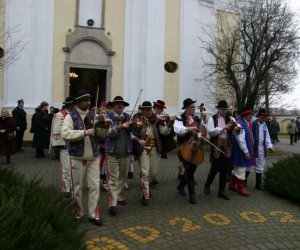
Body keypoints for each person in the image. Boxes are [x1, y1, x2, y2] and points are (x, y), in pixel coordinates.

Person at [62, 89, 107, 226]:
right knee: (77, 188)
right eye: (85, 100)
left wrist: (105, 127)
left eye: (89, 100)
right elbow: (65, 134)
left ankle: (94, 214)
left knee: (95, 186)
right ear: (78, 102)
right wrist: (83, 132)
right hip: (76, 157)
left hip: (93, 156)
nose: (88, 102)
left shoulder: (94, 115)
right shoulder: (70, 117)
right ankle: (78, 213)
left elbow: (101, 136)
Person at [133, 101, 174, 205]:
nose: (147, 112)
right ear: (142, 110)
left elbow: (164, 132)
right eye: (145, 110)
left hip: (155, 148)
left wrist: (170, 123)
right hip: (143, 149)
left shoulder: (157, 119)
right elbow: (133, 133)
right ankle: (145, 195)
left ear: (151, 110)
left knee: (153, 172)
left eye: (149, 109)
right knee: (145, 172)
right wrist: (137, 128)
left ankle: (146, 187)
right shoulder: (138, 119)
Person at [105, 96, 133, 215]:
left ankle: (119, 195)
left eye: (122, 104)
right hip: (112, 153)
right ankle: (112, 204)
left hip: (126, 153)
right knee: (113, 180)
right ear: (113, 106)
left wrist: (136, 126)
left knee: (122, 178)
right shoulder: (108, 118)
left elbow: (135, 133)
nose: (120, 106)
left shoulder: (128, 117)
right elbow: (108, 134)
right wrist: (121, 126)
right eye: (117, 104)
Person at [204, 100, 235, 200]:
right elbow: (211, 132)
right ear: (218, 109)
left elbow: (236, 132)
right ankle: (207, 185)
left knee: (225, 168)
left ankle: (221, 191)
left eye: (225, 109)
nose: (224, 111)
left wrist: (236, 129)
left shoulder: (230, 118)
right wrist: (223, 128)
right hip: (216, 144)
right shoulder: (212, 119)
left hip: (227, 145)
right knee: (215, 167)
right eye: (222, 109)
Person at [174, 98, 202, 204]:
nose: (194, 109)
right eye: (192, 107)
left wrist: (202, 128)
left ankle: (181, 186)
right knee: (189, 171)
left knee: (191, 170)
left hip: (195, 147)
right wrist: (189, 129)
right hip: (183, 148)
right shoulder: (180, 118)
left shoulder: (196, 118)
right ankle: (192, 195)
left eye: (194, 107)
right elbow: (177, 129)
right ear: (186, 108)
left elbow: (201, 132)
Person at [50, 97, 75, 198]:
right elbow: (55, 129)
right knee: (66, 168)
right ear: (69, 105)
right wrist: (58, 143)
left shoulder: (76, 114)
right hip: (65, 144)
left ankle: (73, 186)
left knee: (74, 167)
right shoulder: (59, 115)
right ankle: (66, 188)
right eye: (74, 104)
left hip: (76, 144)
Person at [229, 106, 254, 196]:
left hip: (240, 150)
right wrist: (245, 151)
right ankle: (241, 188)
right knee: (241, 168)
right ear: (245, 115)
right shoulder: (239, 124)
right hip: (240, 151)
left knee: (237, 168)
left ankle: (232, 184)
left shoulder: (243, 123)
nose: (251, 116)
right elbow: (240, 139)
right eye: (250, 115)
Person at [248, 108, 274, 190]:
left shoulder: (265, 125)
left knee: (260, 166)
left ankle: (258, 185)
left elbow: (267, 137)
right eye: (262, 117)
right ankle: (243, 184)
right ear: (258, 117)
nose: (264, 119)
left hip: (262, 148)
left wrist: (269, 146)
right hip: (253, 148)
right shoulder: (253, 124)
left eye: (265, 117)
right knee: (249, 166)